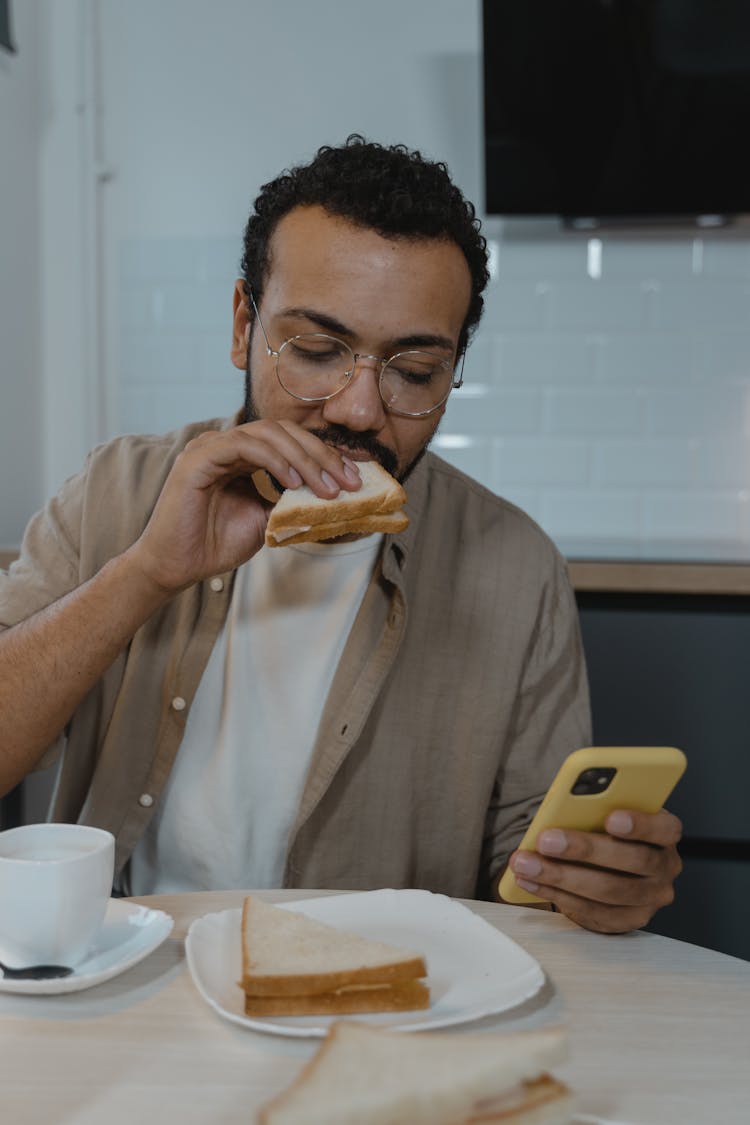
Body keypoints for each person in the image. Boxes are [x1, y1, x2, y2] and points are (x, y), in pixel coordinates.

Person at [0, 137, 681, 933]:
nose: (359, 408)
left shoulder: (516, 565)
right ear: (242, 324)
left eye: (415, 371)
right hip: (130, 974)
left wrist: (590, 884)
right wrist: (147, 572)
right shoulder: (116, 490)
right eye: (317, 351)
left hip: (381, 999)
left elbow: (526, 878)